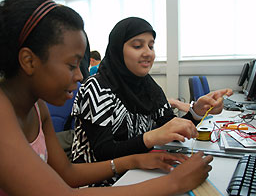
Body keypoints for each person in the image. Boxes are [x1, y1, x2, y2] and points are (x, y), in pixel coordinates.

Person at [0, 0, 213, 195]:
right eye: (72, 65)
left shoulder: (38, 107)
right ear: (28, 61)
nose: (81, 75)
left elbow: (67, 174)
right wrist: (173, 182)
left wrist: (134, 161)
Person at [71, 17, 232, 165]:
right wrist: (150, 137)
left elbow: (171, 129)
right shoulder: (96, 87)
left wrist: (197, 111)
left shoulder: (149, 87)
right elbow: (103, 153)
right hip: (101, 181)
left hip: (138, 168)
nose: (148, 52)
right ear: (118, 49)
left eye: (151, 46)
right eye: (137, 45)